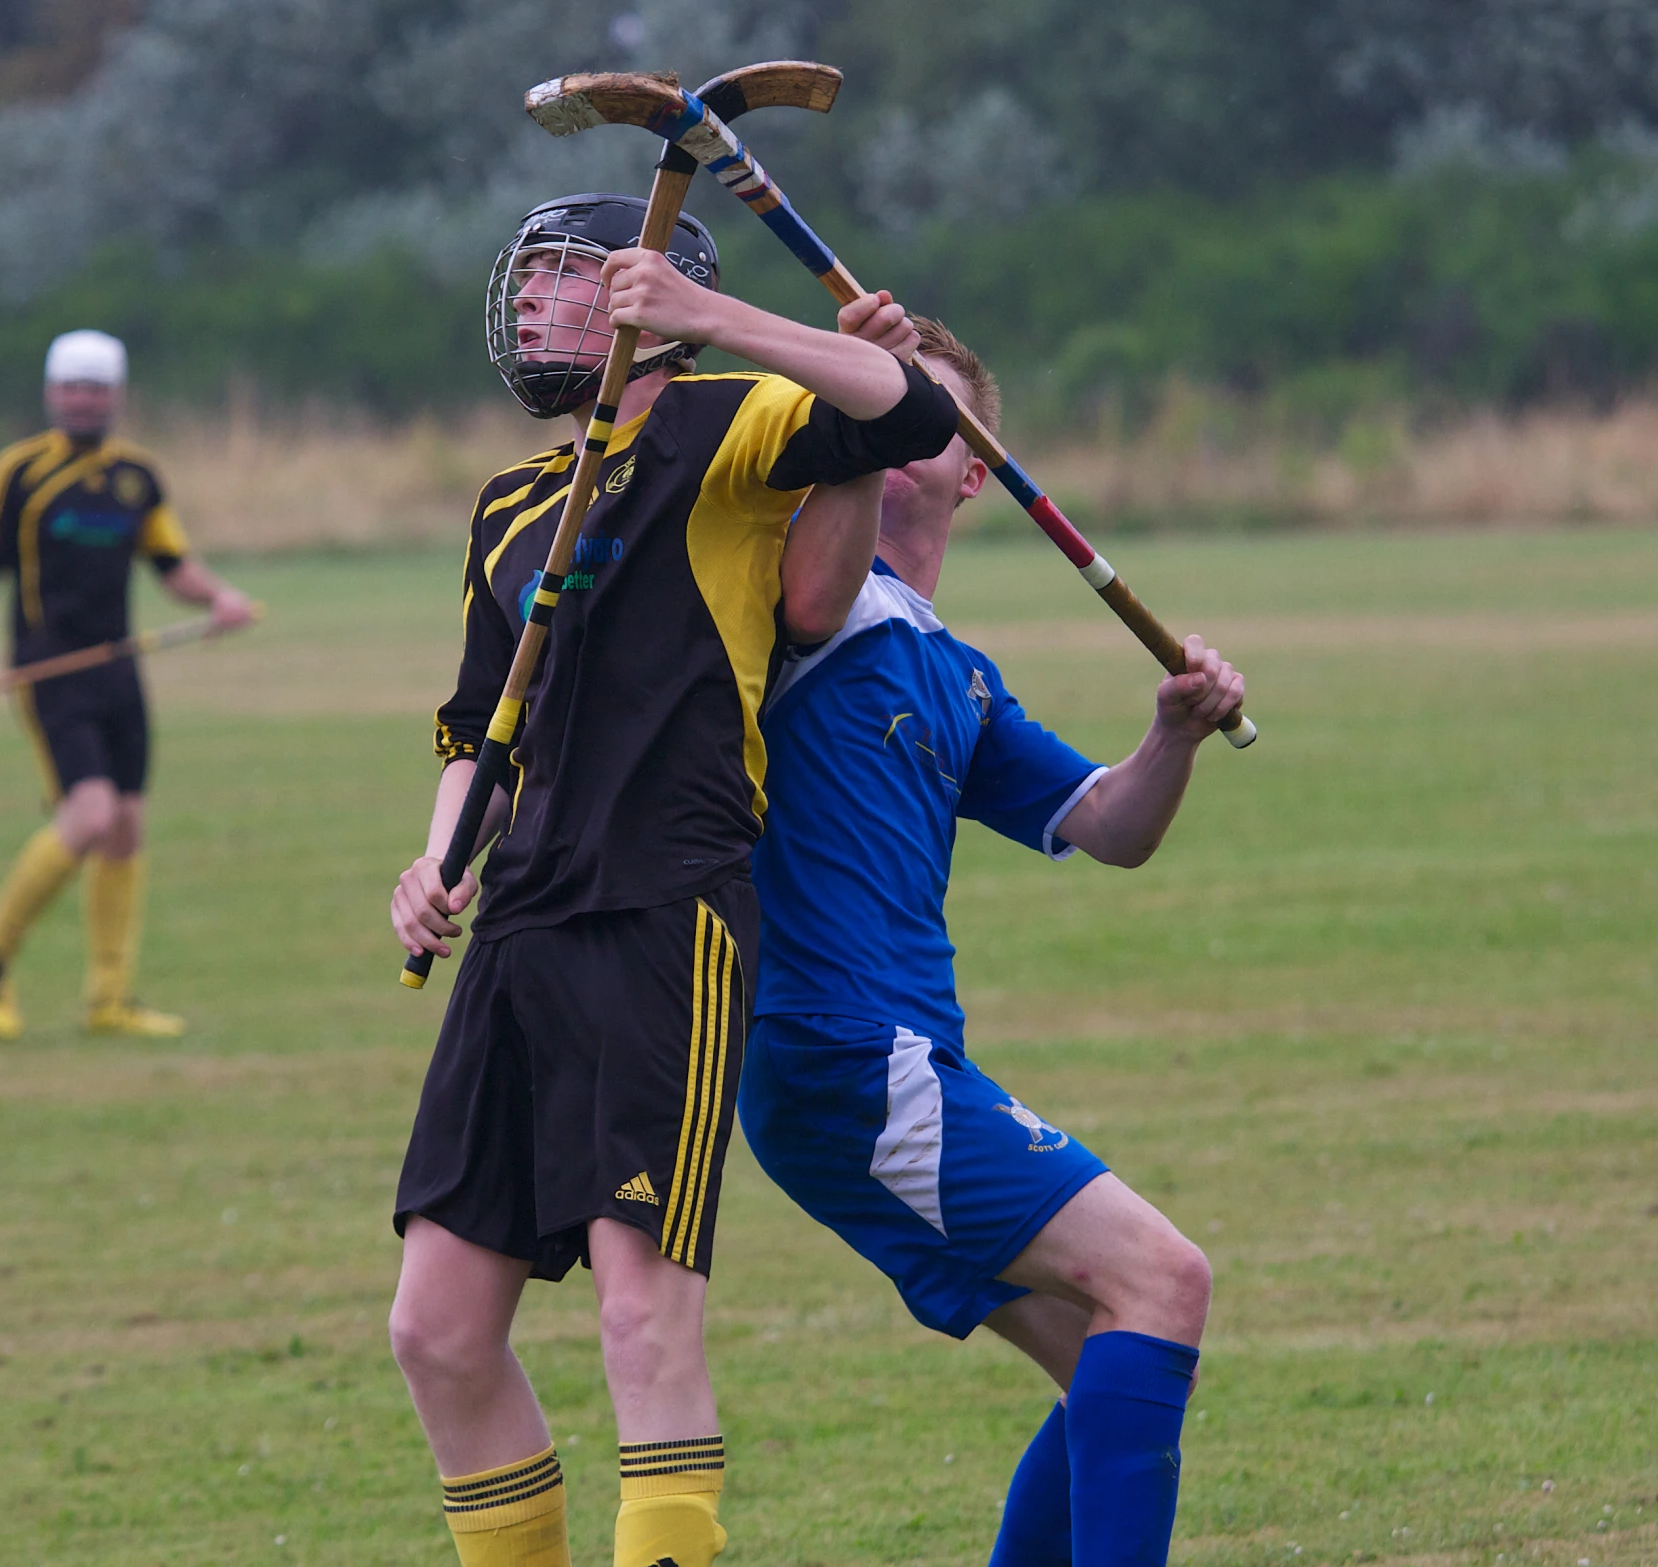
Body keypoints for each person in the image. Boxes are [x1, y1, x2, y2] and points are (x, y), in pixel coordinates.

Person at [384, 194, 957, 1567]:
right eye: (529, 285)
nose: (530, 306)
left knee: (642, 1314)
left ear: (652, 296)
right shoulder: (513, 497)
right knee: (437, 1327)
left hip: (665, 904)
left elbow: (911, 413)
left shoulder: (730, 422)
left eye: (567, 281)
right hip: (519, 920)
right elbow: (477, 730)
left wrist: (716, 322)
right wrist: (434, 853)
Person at [737, 319, 1245, 1567]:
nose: (904, 416)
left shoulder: (957, 676)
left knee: (1108, 1361)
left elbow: (1109, 831)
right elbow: (816, 572)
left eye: (934, 412)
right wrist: (868, 400)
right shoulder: (810, 601)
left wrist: (1170, 734)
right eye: (889, 403)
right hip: (845, 1053)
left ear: (975, 471)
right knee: (1163, 1281)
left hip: (879, 1067)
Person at [0, 329, 254, 1041]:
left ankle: (109, 997)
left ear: (117, 396)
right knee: (92, 812)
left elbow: (172, 564)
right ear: (51, 393)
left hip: (118, 671)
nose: (83, 399)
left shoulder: (138, 477)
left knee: (126, 827)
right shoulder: (19, 472)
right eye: (72, 386)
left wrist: (219, 599)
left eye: (96, 388)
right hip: (47, 671)